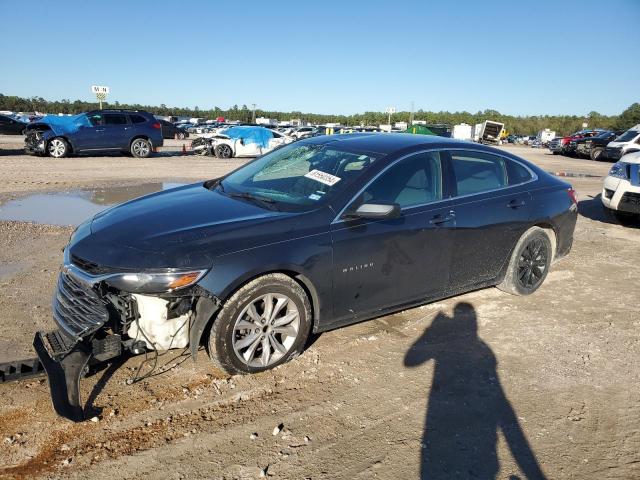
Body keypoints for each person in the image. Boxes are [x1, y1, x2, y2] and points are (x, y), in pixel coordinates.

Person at [404, 302, 546, 479]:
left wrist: (430, 331)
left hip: (455, 440)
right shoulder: (485, 350)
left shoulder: (482, 351)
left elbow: (409, 360)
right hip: (474, 443)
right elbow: (410, 361)